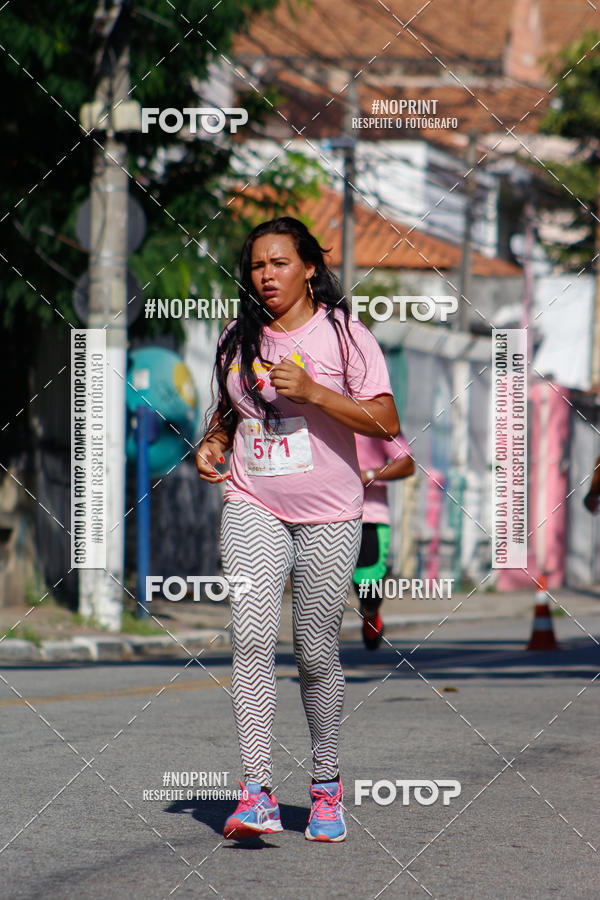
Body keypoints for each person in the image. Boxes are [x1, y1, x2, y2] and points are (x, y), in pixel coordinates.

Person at [195, 216, 400, 843]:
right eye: (257, 265)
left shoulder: (345, 335)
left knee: (315, 652)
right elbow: (232, 410)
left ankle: (326, 787)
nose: (266, 275)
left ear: (309, 268)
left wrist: (313, 392)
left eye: (279, 263)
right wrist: (216, 440)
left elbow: (386, 419)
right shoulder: (238, 335)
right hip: (253, 499)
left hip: (331, 513)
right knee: (251, 635)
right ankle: (256, 791)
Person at [353, 432, 415, 649]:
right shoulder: (318, 409)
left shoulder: (375, 420)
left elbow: (406, 464)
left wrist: (368, 474)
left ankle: (370, 612)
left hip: (370, 515)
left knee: (367, 584)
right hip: (322, 514)